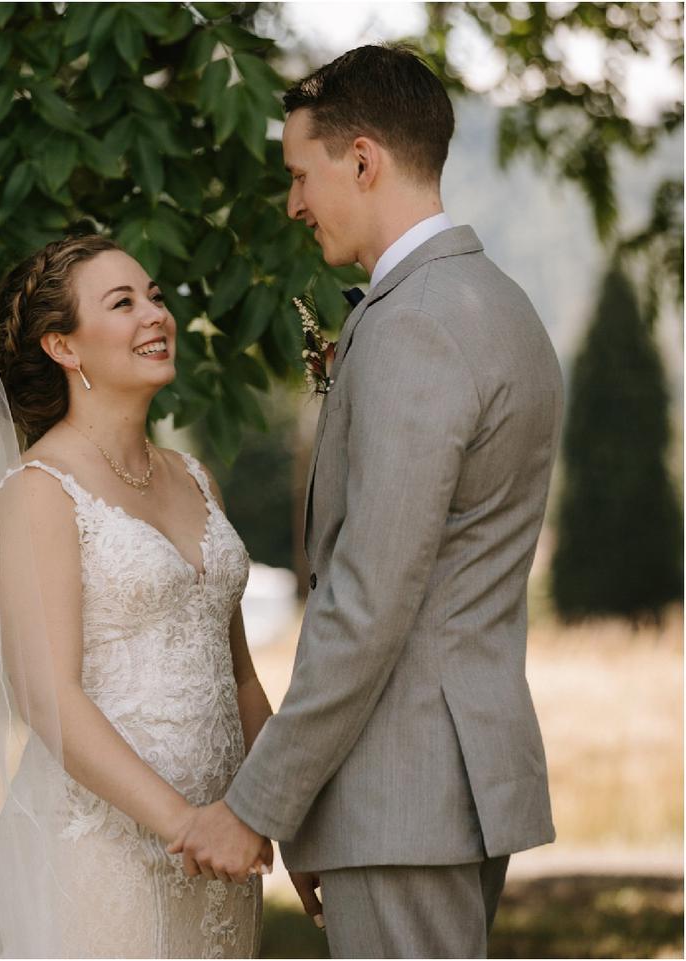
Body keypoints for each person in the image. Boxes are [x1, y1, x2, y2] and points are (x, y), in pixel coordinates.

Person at [169, 44, 564, 958]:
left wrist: (260, 803)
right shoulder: (497, 305)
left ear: (362, 159)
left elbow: (369, 599)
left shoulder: (418, 325)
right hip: (448, 782)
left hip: (404, 791)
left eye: (300, 174)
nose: (294, 203)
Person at [0, 234, 272, 958]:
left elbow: (240, 676)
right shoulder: (38, 493)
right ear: (64, 346)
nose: (156, 315)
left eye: (155, 297)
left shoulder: (196, 477)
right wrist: (184, 823)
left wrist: (278, 816)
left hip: (220, 854)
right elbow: (48, 696)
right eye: (123, 303)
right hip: (99, 851)